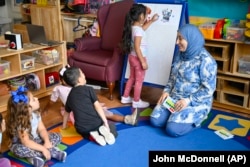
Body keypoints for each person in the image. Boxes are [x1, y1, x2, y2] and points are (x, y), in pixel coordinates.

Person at [150, 24, 217, 137]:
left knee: (172, 130)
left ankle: (200, 118)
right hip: (175, 97)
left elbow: (208, 90)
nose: (177, 42)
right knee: (155, 120)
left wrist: (187, 101)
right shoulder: (180, 55)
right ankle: (173, 118)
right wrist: (166, 91)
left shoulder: (206, 61)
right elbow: (172, 77)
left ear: (191, 39)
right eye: (177, 38)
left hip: (194, 102)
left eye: (180, 38)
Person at [43, 66, 139, 127]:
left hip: (75, 111)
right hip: (81, 110)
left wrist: (46, 109)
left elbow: (52, 101)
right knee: (106, 114)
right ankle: (127, 119)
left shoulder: (58, 88)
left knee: (103, 113)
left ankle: (125, 120)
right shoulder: (79, 87)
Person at [5, 86, 67, 167]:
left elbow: (42, 129)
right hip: (23, 143)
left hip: (35, 140)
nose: (37, 98)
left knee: (57, 136)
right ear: (26, 108)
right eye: (33, 99)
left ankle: (43, 152)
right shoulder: (20, 122)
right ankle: (38, 155)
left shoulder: (35, 114)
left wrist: (47, 141)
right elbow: (26, 142)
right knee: (19, 150)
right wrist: (43, 149)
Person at [62, 67, 118, 146]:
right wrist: (105, 122)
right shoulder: (89, 89)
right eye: (82, 74)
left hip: (82, 128)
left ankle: (92, 137)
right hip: (96, 123)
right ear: (79, 80)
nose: (84, 75)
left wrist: (64, 126)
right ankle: (103, 131)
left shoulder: (70, 95)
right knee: (112, 127)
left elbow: (66, 112)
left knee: (85, 133)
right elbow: (98, 107)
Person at [120, 4, 159, 108]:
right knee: (139, 81)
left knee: (132, 78)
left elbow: (142, 29)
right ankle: (136, 101)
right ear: (141, 17)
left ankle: (125, 97)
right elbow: (137, 47)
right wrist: (143, 62)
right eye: (146, 15)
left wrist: (151, 21)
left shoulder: (134, 28)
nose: (147, 16)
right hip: (138, 58)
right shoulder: (138, 31)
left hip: (132, 57)